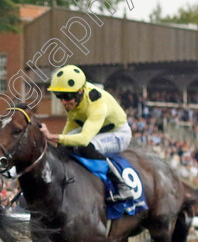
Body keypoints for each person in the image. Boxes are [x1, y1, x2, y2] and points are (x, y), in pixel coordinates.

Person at [39, 64, 134, 201]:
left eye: (66, 96)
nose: (63, 102)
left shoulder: (97, 104)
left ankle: (122, 186)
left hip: (119, 133)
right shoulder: (74, 101)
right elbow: (69, 128)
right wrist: (59, 145)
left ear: (79, 92)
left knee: (87, 146)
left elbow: (84, 139)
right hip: (98, 130)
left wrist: (52, 136)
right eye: (59, 96)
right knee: (63, 148)